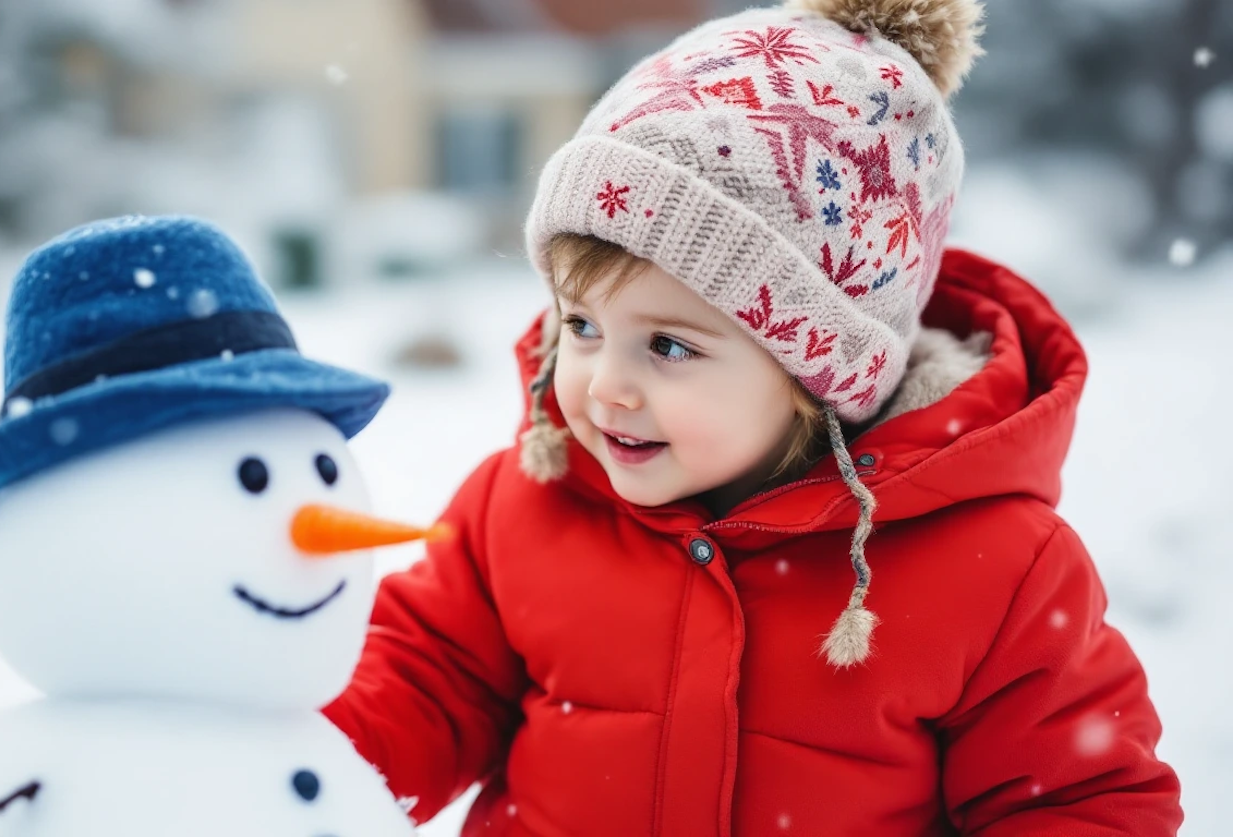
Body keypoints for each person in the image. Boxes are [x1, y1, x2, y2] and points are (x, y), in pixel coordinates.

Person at [323, 0, 1183, 833]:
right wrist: (300, 772)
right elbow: (426, 680)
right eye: (582, 325)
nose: (604, 385)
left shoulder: (993, 570)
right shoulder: (527, 502)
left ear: (818, 369)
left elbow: (1080, 799)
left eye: (668, 346)